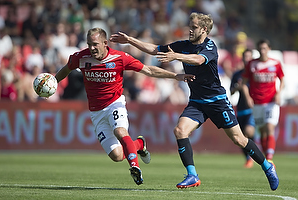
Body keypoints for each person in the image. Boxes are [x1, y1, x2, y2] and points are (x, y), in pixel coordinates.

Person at [109, 12, 279, 190]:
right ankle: (192, 175)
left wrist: (176, 56)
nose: (190, 30)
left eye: (194, 27)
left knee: (239, 139)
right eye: (190, 26)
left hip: (217, 101)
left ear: (204, 29)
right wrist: (130, 40)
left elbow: (199, 60)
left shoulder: (210, 46)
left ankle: (267, 167)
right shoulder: (183, 45)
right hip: (197, 101)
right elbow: (154, 49)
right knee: (180, 130)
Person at [54, 27, 195, 185]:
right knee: (116, 155)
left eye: (95, 44)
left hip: (115, 103)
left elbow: (148, 70)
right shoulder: (80, 57)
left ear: (105, 43)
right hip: (96, 112)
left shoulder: (120, 58)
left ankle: (135, 167)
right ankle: (139, 144)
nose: (91, 48)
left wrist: (176, 76)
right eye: (89, 44)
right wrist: (53, 82)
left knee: (120, 131)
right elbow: (66, 69)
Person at [242, 39, 285, 164]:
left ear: (269, 49)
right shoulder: (251, 64)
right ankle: (267, 158)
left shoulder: (275, 64)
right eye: (260, 49)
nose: (262, 51)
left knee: (269, 127)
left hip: (271, 102)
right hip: (257, 103)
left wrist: (278, 93)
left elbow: (282, 80)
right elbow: (244, 84)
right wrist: (248, 97)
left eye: (265, 48)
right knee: (262, 131)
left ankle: (270, 158)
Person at [230, 49, 255, 168]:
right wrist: (237, 87)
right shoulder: (237, 74)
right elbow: (231, 91)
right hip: (241, 108)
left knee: (248, 131)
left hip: (253, 107)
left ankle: (257, 151)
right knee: (240, 137)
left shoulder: (255, 73)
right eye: (245, 57)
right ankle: (248, 158)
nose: (247, 59)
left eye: (249, 57)